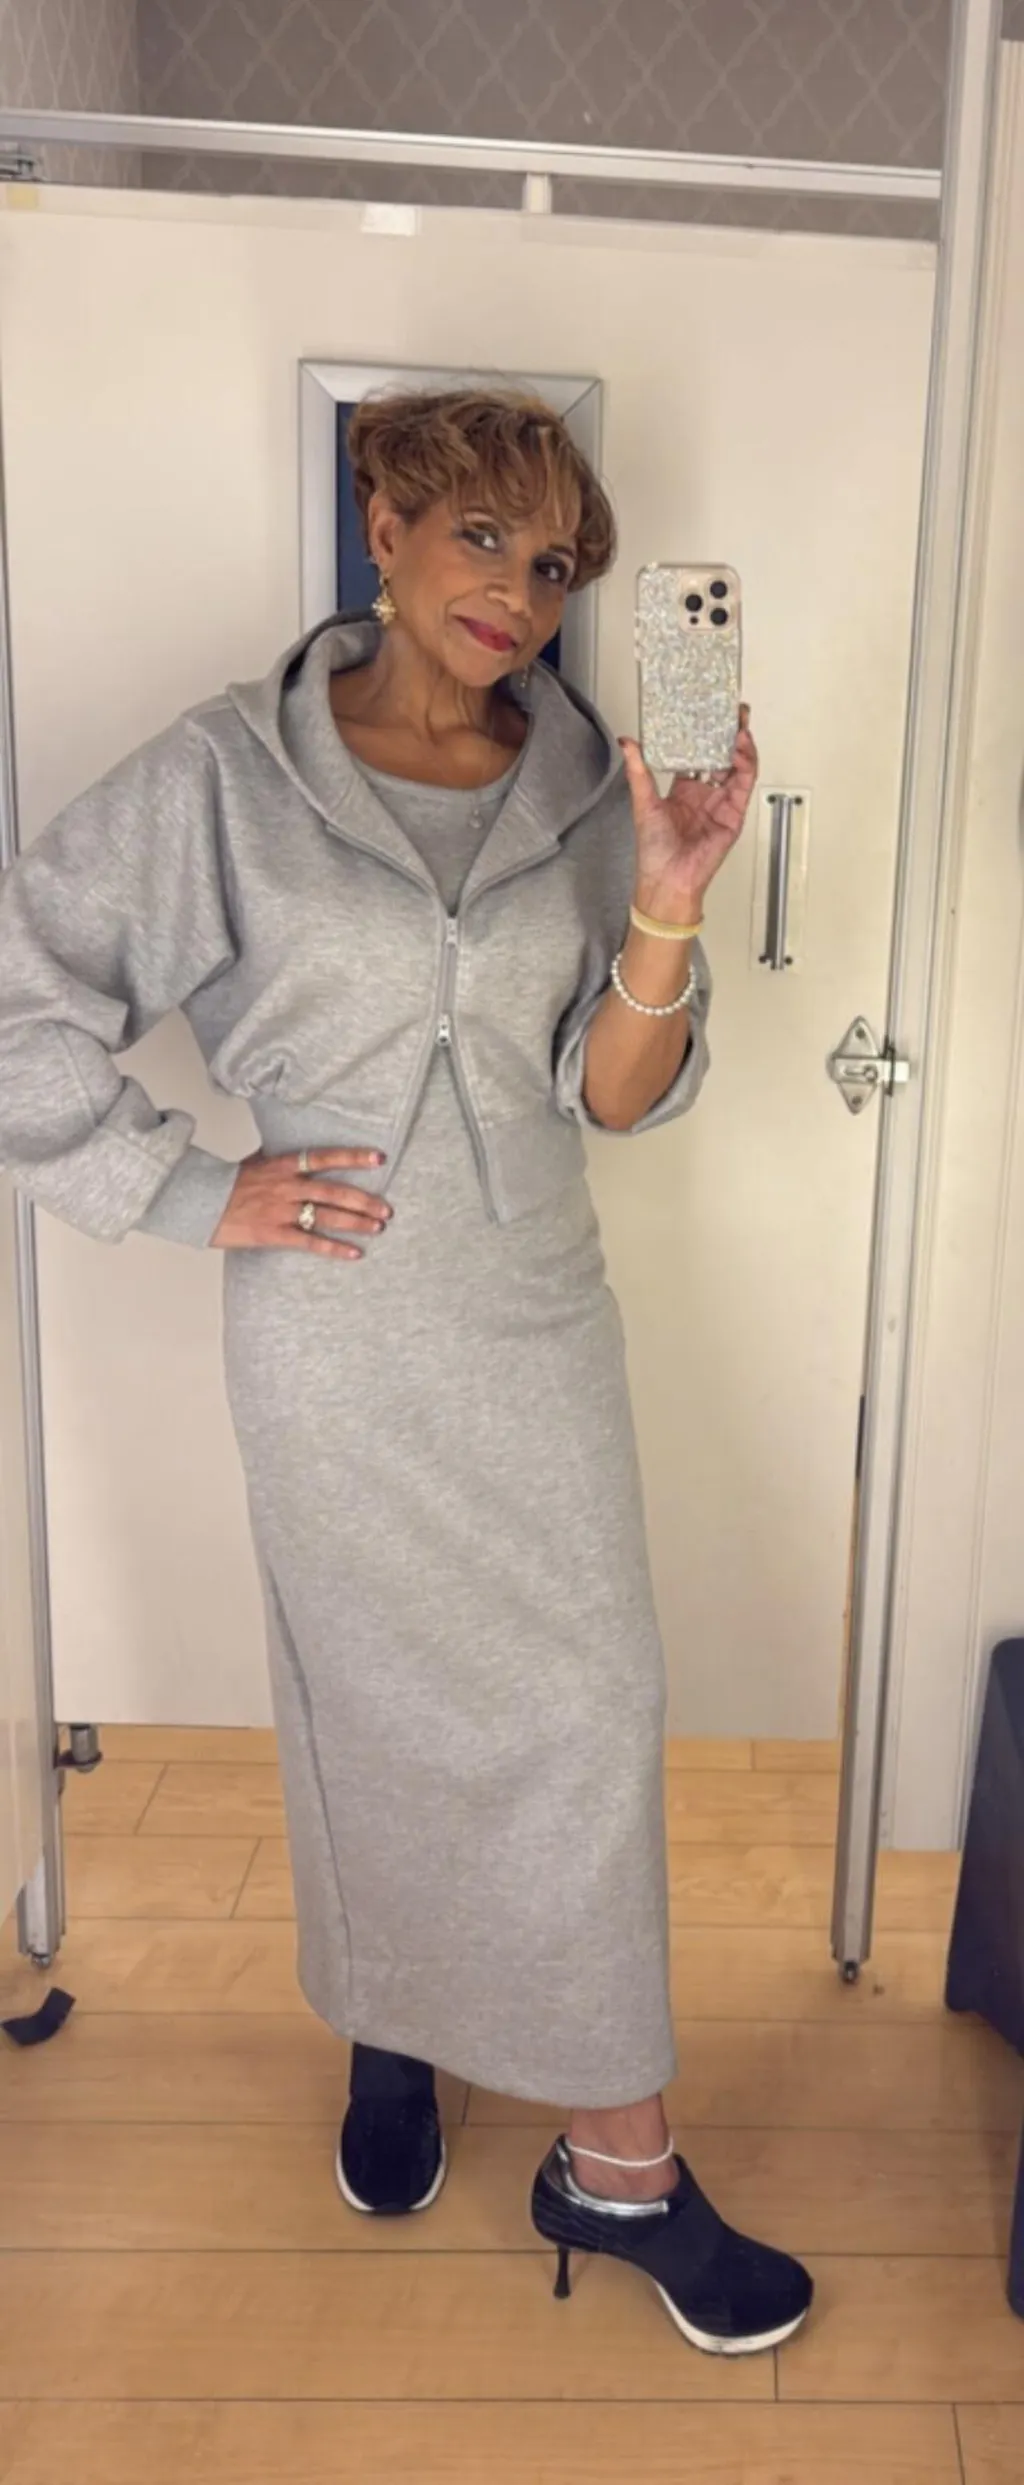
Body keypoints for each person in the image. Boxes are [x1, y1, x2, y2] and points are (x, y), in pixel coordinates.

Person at [0, 386, 812, 2356]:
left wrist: (669, 895)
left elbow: (614, 1095)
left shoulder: (583, 784)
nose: (519, 595)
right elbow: (21, 995)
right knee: (368, 1706)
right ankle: (415, 2035)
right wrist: (185, 1189)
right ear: (385, 526)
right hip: (336, 1326)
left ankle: (601, 2155)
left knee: (589, 1707)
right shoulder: (227, 776)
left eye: (556, 566)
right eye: (483, 541)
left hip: (534, 1308)